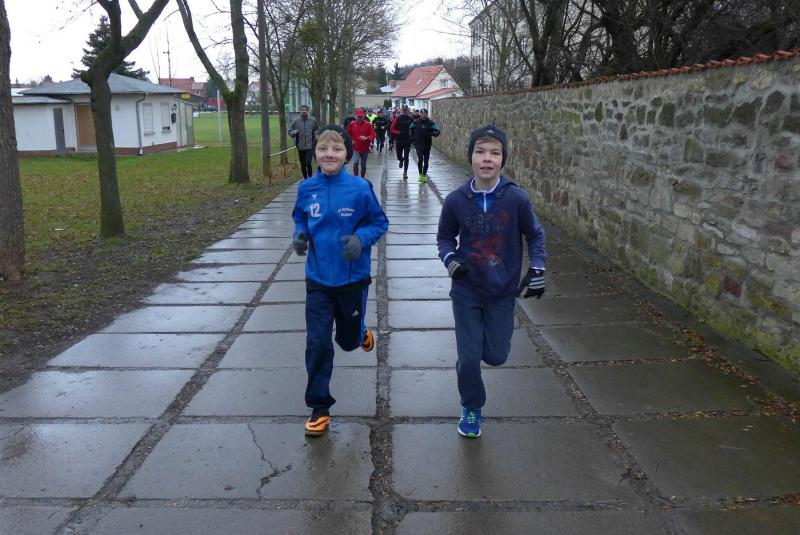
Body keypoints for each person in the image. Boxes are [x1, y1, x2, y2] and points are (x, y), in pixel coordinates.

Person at [436, 125, 546, 439]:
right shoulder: (457, 200)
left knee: (496, 355)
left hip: (502, 291)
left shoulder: (515, 199)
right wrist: (450, 259)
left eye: (495, 153)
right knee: (470, 356)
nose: (487, 159)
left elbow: (535, 235)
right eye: (480, 152)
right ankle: (472, 406)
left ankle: (475, 353)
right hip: (466, 289)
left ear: (503, 159)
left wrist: (537, 269)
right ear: (470, 157)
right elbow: (445, 238)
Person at [291, 125, 389, 436]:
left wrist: (360, 239)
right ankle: (319, 407)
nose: (329, 154)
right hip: (318, 280)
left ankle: (359, 333)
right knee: (317, 343)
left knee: (347, 342)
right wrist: (300, 235)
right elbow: (300, 217)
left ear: (347, 154)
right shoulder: (307, 188)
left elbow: (379, 222)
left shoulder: (360, 188)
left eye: (336, 149)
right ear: (316, 153)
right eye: (323, 149)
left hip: (352, 280)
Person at [409, 108, 440, 183]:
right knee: (420, 159)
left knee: (426, 160)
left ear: (427, 114)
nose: (423, 115)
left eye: (425, 114)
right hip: (418, 144)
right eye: (422, 114)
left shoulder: (430, 123)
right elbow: (410, 128)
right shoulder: (416, 122)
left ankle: (424, 175)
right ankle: (420, 174)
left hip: (427, 144)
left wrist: (433, 134)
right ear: (420, 114)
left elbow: (437, 130)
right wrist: (413, 138)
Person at [288, 104, 318, 179]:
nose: (304, 111)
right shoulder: (295, 121)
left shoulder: (312, 120)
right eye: (302, 110)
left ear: (307, 111)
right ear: (300, 111)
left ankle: (310, 178)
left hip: (310, 145)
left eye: (305, 110)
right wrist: (294, 132)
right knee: (303, 164)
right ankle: (305, 178)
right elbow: (289, 131)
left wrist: (316, 134)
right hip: (300, 146)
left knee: (308, 162)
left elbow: (317, 129)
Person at [346, 109, 376, 177]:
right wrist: (351, 140)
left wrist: (367, 138)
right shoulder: (352, 124)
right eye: (358, 117)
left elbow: (373, 135)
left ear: (363, 116)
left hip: (365, 148)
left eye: (361, 117)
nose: (359, 118)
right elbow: (347, 134)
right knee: (356, 162)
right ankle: (356, 177)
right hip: (355, 147)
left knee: (363, 164)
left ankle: (362, 177)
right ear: (356, 116)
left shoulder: (368, 124)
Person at [390, 104, 414, 179]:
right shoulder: (398, 118)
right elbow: (392, 129)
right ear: (401, 110)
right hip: (399, 140)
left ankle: (405, 172)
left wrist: (413, 135)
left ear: (408, 110)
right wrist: (398, 132)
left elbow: (414, 128)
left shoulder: (411, 119)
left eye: (406, 110)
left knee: (406, 157)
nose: (405, 111)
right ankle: (401, 160)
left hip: (407, 140)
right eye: (403, 110)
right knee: (399, 156)